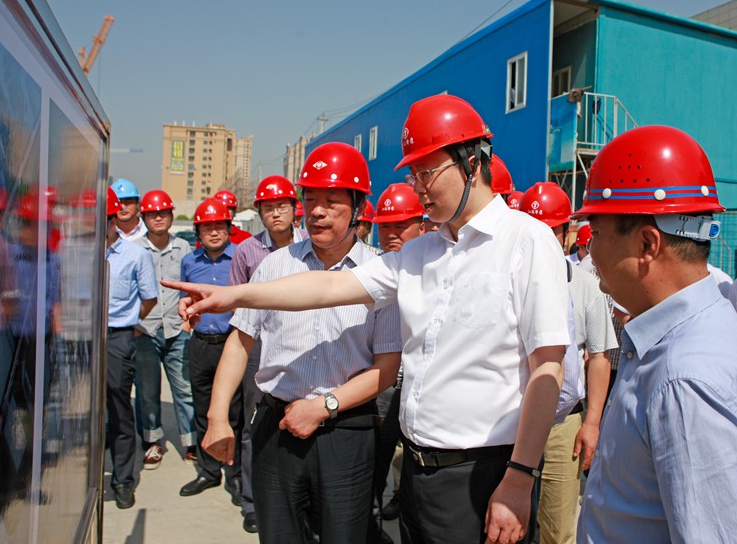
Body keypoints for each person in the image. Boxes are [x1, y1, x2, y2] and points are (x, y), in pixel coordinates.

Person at [167, 95, 570, 544]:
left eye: (426, 173)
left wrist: (520, 475)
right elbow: (326, 288)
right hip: (418, 474)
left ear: (472, 163)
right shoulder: (421, 252)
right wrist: (234, 295)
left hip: (485, 474)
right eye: (413, 175)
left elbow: (548, 368)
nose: (418, 188)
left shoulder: (526, 242)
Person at [196, 142, 402, 543]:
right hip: (277, 427)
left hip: (346, 432)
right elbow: (240, 343)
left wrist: (324, 407)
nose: (317, 211)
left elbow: (386, 368)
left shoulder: (381, 274)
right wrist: (218, 416)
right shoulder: (275, 266)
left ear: (358, 207)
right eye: (310, 200)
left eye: (332, 201)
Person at [574, 125, 737, 542]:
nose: (589, 249)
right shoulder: (681, 338)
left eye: (596, 232)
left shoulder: (683, 380)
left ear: (648, 244)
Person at [519, 182, 617, 544]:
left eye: (551, 230)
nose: (542, 239)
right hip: (512, 421)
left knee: (558, 526)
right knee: (508, 522)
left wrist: (591, 423)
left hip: (563, 426)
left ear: (565, 234)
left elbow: (599, 357)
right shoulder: (510, 281)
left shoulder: (586, 286)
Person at [228, 175, 307, 534]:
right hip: (259, 345)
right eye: (268, 208)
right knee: (253, 422)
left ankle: (296, 497)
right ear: (259, 212)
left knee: (297, 418)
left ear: (294, 209)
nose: (275, 213)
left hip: (301, 342)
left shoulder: (310, 244)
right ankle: (252, 501)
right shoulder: (246, 251)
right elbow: (237, 302)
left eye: (281, 206)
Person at [178, 198, 243, 504]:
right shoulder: (189, 262)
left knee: (234, 412)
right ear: (198, 233)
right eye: (207, 227)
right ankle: (208, 470)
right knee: (203, 410)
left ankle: (235, 473)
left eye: (219, 226)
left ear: (229, 228)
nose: (214, 232)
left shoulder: (241, 257)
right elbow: (186, 299)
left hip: (233, 345)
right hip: (201, 343)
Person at [372, 182, 426, 538]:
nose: (391, 233)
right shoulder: (372, 270)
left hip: (421, 390)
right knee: (373, 471)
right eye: (385, 226)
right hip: (381, 387)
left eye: (401, 225)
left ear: (421, 226)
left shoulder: (436, 269)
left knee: (417, 480)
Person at [133, 189, 196, 471]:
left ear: (171, 216)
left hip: (176, 329)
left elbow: (192, 287)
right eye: (152, 214)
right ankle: (152, 442)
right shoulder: (135, 249)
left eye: (163, 213)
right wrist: (133, 325)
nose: (158, 218)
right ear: (144, 218)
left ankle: (191, 442)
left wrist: (187, 322)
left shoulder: (183, 248)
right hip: (144, 332)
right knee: (147, 391)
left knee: (184, 388)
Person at [104, 187, 158, 509]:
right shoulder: (76, 249)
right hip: (81, 337)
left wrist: (131, 324)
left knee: (119, 408)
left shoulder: (135, 255)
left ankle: (123, 480)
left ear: (113, 221)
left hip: (118, 337)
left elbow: (149, 297)